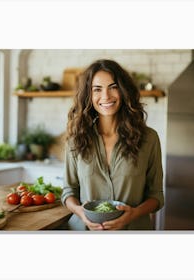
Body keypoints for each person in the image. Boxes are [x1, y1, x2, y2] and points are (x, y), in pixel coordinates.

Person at [61, 59, 164, 230]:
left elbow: (156, 196)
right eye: (97, 89)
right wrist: (80, 212)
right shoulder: (75, 139)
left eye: (113, 87)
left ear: (124, 91)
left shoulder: (149, 138)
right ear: (89, 95)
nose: (106, 96)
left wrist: (134, 214)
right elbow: (68, 191)